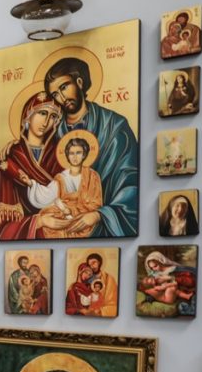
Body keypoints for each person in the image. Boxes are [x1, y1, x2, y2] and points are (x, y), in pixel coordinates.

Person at [45, 57, 139, 238]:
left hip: (101, 224)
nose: (62, 98)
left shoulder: (114, 127)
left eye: (64, 87)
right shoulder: (52, 133)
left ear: (79, 82)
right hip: (63, 221)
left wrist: (99, 215)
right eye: (55, 94)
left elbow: (129, 180)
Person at [0, 92, 63, 240]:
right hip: (28, 233)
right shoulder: (9, 156)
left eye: (53, 116)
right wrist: (39, 222)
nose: (46, 122)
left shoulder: (60, 156)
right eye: (42, 113)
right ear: (27, 116)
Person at [37, 136, 104, 239]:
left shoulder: (92, 176)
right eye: (71, 153)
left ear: (84, 154)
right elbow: (51, 198)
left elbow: (96, 204)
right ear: (67, 155)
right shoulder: (60, 178)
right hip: (63, 216)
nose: (75, 156)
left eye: (78, 153)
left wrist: (72, 210)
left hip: (83, 218)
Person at [85, 252, 118, 317]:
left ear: (99, 262)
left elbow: (113, 303)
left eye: (94, 263)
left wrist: (100, 310)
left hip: (102, 312)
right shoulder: (86, 279)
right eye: (89, 265)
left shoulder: (109, 279)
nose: (92, 266)